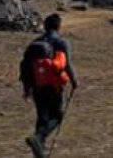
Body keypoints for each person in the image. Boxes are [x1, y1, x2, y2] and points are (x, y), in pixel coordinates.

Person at [20, 13, 79, 158]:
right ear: (58, 27)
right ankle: (38, 139)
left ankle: (40, 150)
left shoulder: (34, 44)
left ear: (45, 27)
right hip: (54, 86)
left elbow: (26, 68)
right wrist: (74, 81)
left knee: (42, 117)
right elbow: (67, 65)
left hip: (37, 86)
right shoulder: (61, 43)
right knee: (57, 116)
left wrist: (27, 89)